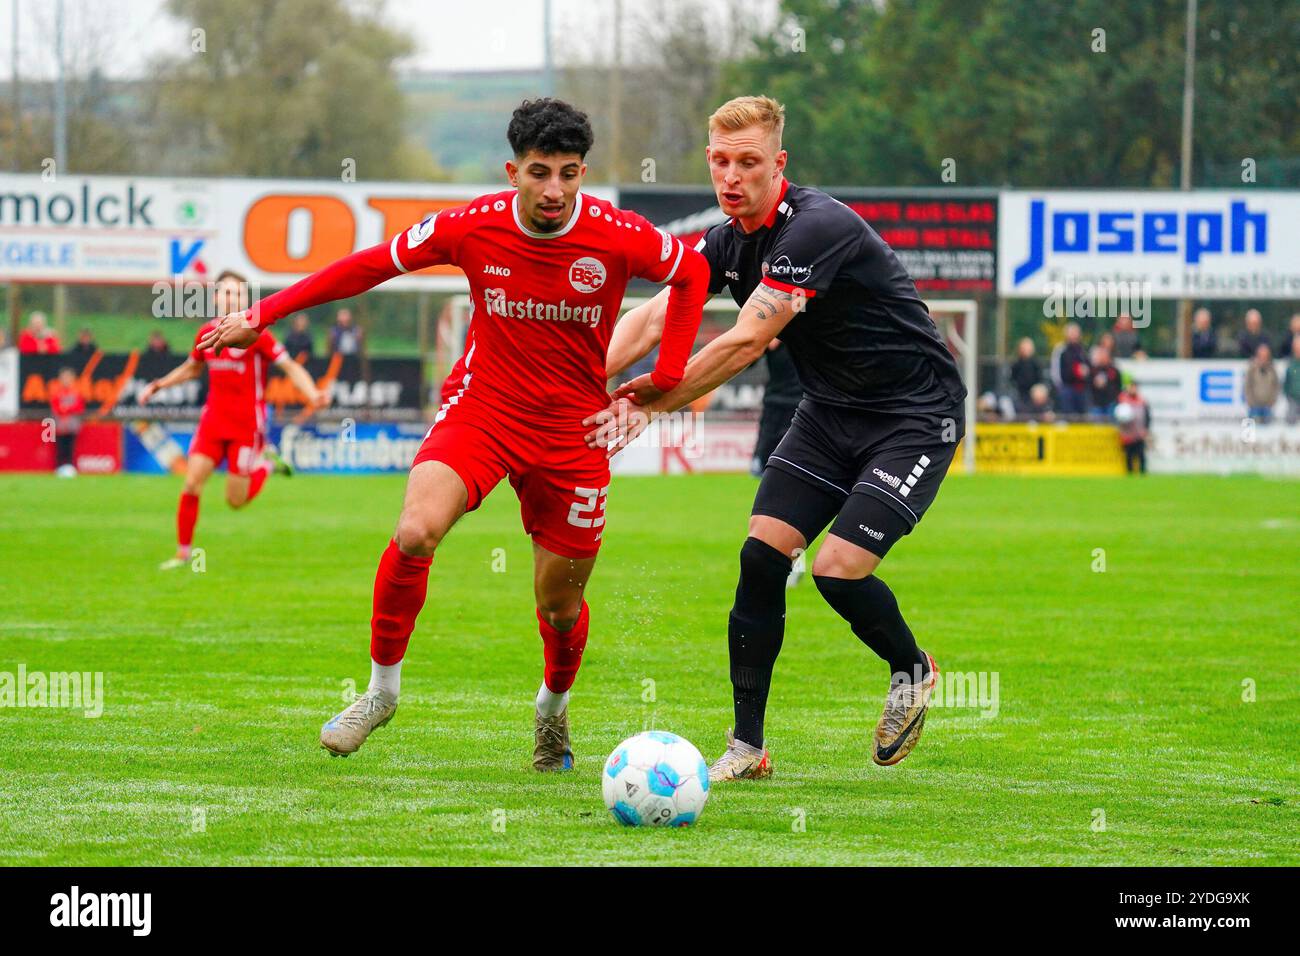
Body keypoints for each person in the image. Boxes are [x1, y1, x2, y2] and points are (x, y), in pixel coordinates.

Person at [194, 99, 709, 772]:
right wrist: (263, 313)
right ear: (513, 169)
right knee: (415, 530)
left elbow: (692, 273)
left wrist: (666, 375)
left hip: (573, 432)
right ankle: (380, 693)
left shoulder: (617, 233)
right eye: (539, 172)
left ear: (583, 172)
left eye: (569, 173)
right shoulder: (473, 226)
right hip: (484, 410)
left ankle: (552, 711)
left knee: (559, 607)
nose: (554, 190)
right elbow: (372, 264)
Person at [593, 95, 965, 779]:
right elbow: (651, 319)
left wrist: (649, 404)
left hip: (913, 418)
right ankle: (747, 747)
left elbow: (746, 340)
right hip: (827, 414)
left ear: (778, 164)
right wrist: (580, 380)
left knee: (835, 570)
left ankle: (911, 668)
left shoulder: (816, 228)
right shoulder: (724, 241)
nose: (731, 177)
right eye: (720, 162)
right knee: (762, 557)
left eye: (748, 163)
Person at [139, 270, 323, 570]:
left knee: (235, 502)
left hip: (246, 426)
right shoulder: (206, 334)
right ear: (214, 297)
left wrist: (313, 393)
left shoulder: (258, 334)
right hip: (213, 421)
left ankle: (265, 465)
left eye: (236, 293)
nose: (230, 298)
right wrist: (158, 385)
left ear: (245, 300)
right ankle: (183, 554)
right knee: (191, 484)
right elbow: (191, 368)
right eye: (225, 293)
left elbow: (289, 366)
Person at [750, 339, 801, 476]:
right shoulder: (774, 333)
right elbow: (748, 361)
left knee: (796, 459)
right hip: (775, 403)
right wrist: (764, 342)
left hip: (801, 404)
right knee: (763, 460)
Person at [48, 367, 85, 477]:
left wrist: (67, 409)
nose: (66, 380)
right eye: (64, 378)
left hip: (72, 425)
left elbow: (79, 407)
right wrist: (63, 409)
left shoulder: (77, 392)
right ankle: (59, 468)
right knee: (60, 448)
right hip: (59, 425)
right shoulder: (56, 393)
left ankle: (69, 468)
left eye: (68, 377)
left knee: (70, 448)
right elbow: (55, 407)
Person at [1050, 322, 1089, 417]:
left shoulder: (1083, 350)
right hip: (1066, 387)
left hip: (1081, 388)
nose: (1074, 335)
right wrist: (1060, 386)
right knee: (1068, 414)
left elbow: (1088, 367)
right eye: (1072, 332)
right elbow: (1055, 370)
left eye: (1076, 333)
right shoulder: (1060, 349)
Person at [1116, 380, 1150, 474]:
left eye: (1134, 387)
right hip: (1127, 434)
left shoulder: (1142, 400)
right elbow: (1118, 415)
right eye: (1131, 387)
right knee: (1129, 455)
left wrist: (1146, 429)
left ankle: (1143, 473)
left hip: (1139, 433)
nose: (1133, 389)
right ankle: (1130, 474)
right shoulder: (1122, 400)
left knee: (1141, 455)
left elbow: (1147, 416)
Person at [1244, 342, 1279, 422]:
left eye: (1265, 356)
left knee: (1268, 430)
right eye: (1261, 355)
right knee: (1253, 431)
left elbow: (1276, 386)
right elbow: (1247, 386)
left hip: (1268, 407)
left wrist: (1272, 402)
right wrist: (1251, 402)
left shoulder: (1272, 369)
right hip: (1254, 407)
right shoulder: (1252, 369)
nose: (1263, 358)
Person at [1088, 345, 1121, 418]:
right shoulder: (1093, 370)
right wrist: (1095, 383)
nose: (1103, 357)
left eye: (1105, 355)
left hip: (1110, 403)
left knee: (1110, 426)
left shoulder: (1113, 370)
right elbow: (1088, 384)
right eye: (1101, 355)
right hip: (1097, 403)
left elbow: (1118, 385)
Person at [1008, 337, 1041, 410]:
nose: (1027, 350)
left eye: (1029, 348)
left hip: (1034, 392)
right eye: (1025, 348)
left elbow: (1040, 380)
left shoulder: (1036, 363)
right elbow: (1012, 380)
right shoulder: (1016, 364)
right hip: (1020, 392)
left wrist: (1038, 390)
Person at [1284, 338, 1300, 426]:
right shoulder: (1290, 364)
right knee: (1290, 420)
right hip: (1293, 399)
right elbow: (1286, 383)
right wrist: (1289, 397)